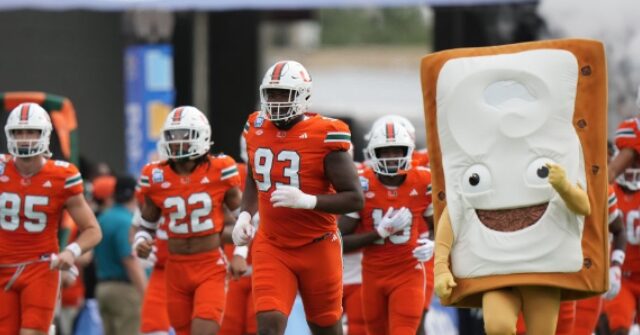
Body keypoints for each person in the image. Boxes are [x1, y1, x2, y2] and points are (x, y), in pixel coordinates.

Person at [232, 60, 364, 335]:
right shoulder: (255, 126)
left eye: (284, 94)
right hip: (273, 245)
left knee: (325, 328)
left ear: (303, 95)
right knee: (269, 325)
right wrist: (245, 213)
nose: (276, 101)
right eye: (272, 93)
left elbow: (354, 199)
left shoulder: (325, 134)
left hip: (318, 247)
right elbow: (255, 175)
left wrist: (308, 201)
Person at [135, 106, 242, 335]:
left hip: (209, 265)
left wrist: (241, 254)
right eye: (172, 135)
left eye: (185, 134)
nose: (177, 141)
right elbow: (147, 224)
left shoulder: (220, 169)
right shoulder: (155, 175)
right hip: (175, 269)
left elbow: (244, 217)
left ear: (202, 136)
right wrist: (141, 242)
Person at [0, 102, 102, 335]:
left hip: (40, 267)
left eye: (31, 131)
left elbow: (92, 230)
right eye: (19, 132)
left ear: (45, 134)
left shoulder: (62, 175)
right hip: (2, 267)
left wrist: (71, 253)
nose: (24, 138)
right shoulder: (1, 168)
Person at [339, 120, 434, 335]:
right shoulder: (362, 184)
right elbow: (338, 241)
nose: (392, 157)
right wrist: (379, 233)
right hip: (372, 275)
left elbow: (439, 225)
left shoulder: (423, 181)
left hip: (409, 272)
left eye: (397, 150)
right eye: (385, 151)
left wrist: (434, 244)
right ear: (374, 154)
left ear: (408, 151)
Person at [94, 175, 147, 335]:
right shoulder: (126, 221)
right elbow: (129, 261)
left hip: (103, 287)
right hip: (124, 290)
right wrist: (147, 294)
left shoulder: (104, 217)